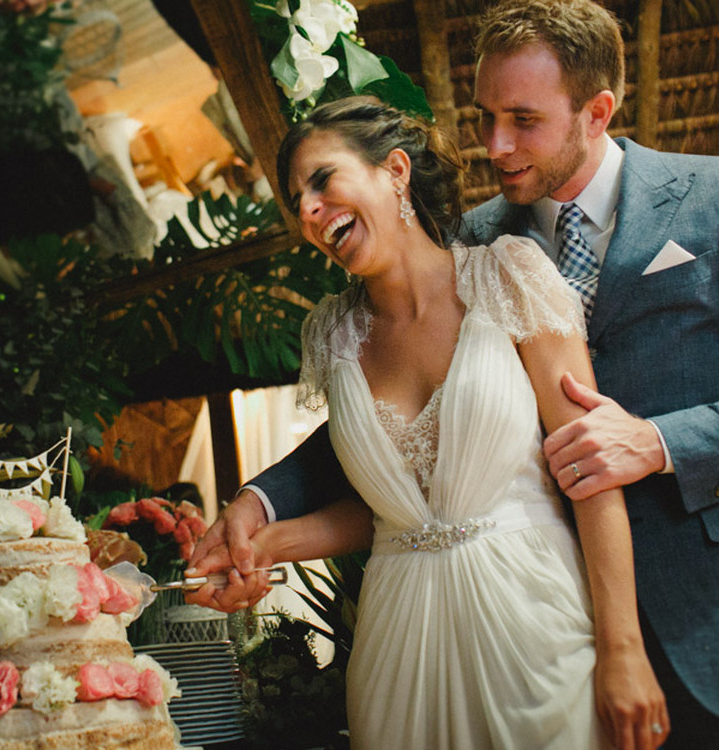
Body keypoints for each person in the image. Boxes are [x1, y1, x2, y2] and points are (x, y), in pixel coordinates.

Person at [189, 0, 719, 747]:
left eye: (523, 119)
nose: (495, 144)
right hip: (544, 638)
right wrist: (261, 497)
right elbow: (408, 423)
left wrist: (660, 441)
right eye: (485, 117)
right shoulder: (477, 244)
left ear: (597, 111)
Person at [212, 94, 667, 749]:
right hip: (398, 650)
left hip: (536, 629)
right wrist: (263, 547)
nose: (309, 211)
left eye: (322, 181)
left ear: (394, 170)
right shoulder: (333, 336)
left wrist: (624, 650)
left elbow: (592, 473)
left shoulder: (510, 278)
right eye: (296, 202)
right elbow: (391, 514)